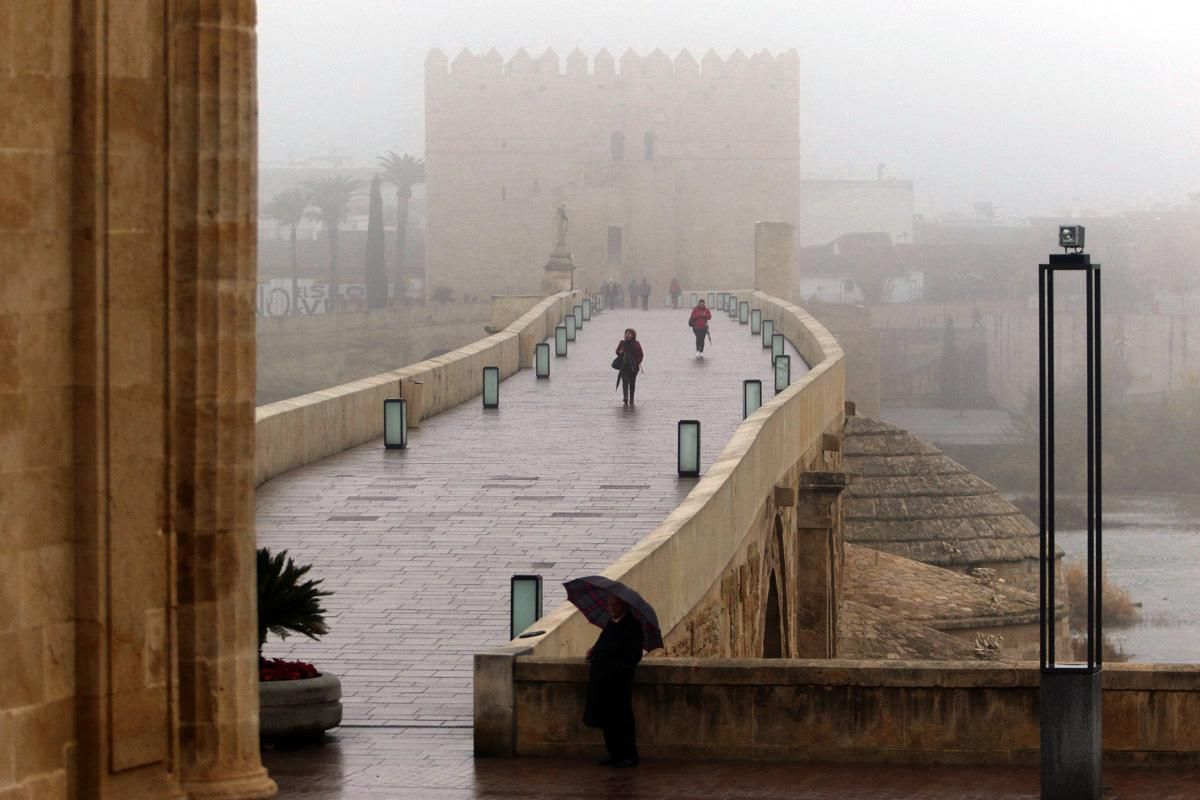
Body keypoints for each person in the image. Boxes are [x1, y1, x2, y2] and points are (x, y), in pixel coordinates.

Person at [583, 595, 644, 767]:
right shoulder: (611, 624)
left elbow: (633, 655)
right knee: (607, 719)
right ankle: (615, 754)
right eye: (609, 604)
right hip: (604, 681)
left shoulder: (632, 626)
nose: (610, 607)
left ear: (623, 606)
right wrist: (593, 652)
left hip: (619, 682)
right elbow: (602, 646)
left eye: (613, 605)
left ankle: (628, 755)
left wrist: (616, 667)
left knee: (622, 718)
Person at [615, 328, 643, 406]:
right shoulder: (622, 343)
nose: (627, 335)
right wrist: (619, 352)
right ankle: (625, 397)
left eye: (629, 333)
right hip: (624, 366)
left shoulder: (636, 344)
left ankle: (631, 398)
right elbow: (617, 351)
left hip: (633, 367)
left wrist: (637, 362)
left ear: (633, 335)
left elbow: (641, 355)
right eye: (626, 333)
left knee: (632, 383)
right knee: (624, 381)